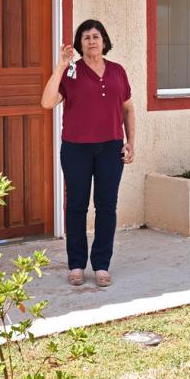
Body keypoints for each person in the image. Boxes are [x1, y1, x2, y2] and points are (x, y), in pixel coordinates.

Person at [40, 19, 135, 287]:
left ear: (104, 41)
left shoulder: (118, 71)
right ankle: (77, 265)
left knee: (106, 207)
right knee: (77, 206)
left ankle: (102, 265)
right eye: (86, 38)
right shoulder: (71, 72)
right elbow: (47, 102)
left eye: (96, 36)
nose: (92, 41)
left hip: (111, 149)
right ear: (79, 44)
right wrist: (60, 65)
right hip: (76, 149)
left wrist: (131, 142)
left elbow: (128, 109)